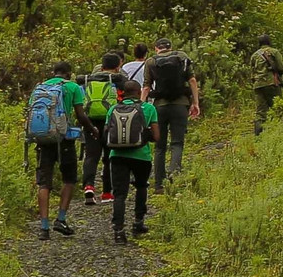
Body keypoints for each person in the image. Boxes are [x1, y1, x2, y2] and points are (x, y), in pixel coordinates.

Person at [25, 60, 84, 240]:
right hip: (64, 140)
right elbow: (80, 114)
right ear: (69, 73)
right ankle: (61, 219)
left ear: (54, 72)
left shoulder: (39, 88)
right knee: (69, 179)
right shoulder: (73, 87)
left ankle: (44, 227)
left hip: (42, 140)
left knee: (44, 183)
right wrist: (90, 130)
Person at [102, 75, 155, 240]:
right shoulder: (148, 108)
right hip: (141, 155)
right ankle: (138, 222)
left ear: (123, 93)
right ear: (139, 92)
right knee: (141, 186)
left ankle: (118, 230)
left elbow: (106, 133)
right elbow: (157, 136)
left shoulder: (113, 109)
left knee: (119, 194)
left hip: (117, 155)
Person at [145, 38, 201, 190]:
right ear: (171, 47)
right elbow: (193, 81)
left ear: (156, 48)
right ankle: (174, 174)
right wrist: (195, 103)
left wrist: (141, 107)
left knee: (159, 146)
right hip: (180, 104)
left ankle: (158, 185)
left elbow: (146, 87)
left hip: (159, 107)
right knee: (177, 143)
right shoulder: (182, 56)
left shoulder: (150, 61)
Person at [79, 51, 121, 204]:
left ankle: (89, 186)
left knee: (91, 156)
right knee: (109, 157)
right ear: (118, 66)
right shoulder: (117, 80)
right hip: (112, 122)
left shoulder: (87, 80)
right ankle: (107, 193)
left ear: (101, 66)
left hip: (91, 122)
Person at [248, 38, 283, 131]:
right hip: (272, 83)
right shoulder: (274, 52)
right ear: (269, 42)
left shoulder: (254, 55)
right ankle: (276, 131)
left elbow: (252, 72)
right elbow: (280, 68)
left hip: (258, 85)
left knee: (260, 112)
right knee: (277, 107)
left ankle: (258, 135)